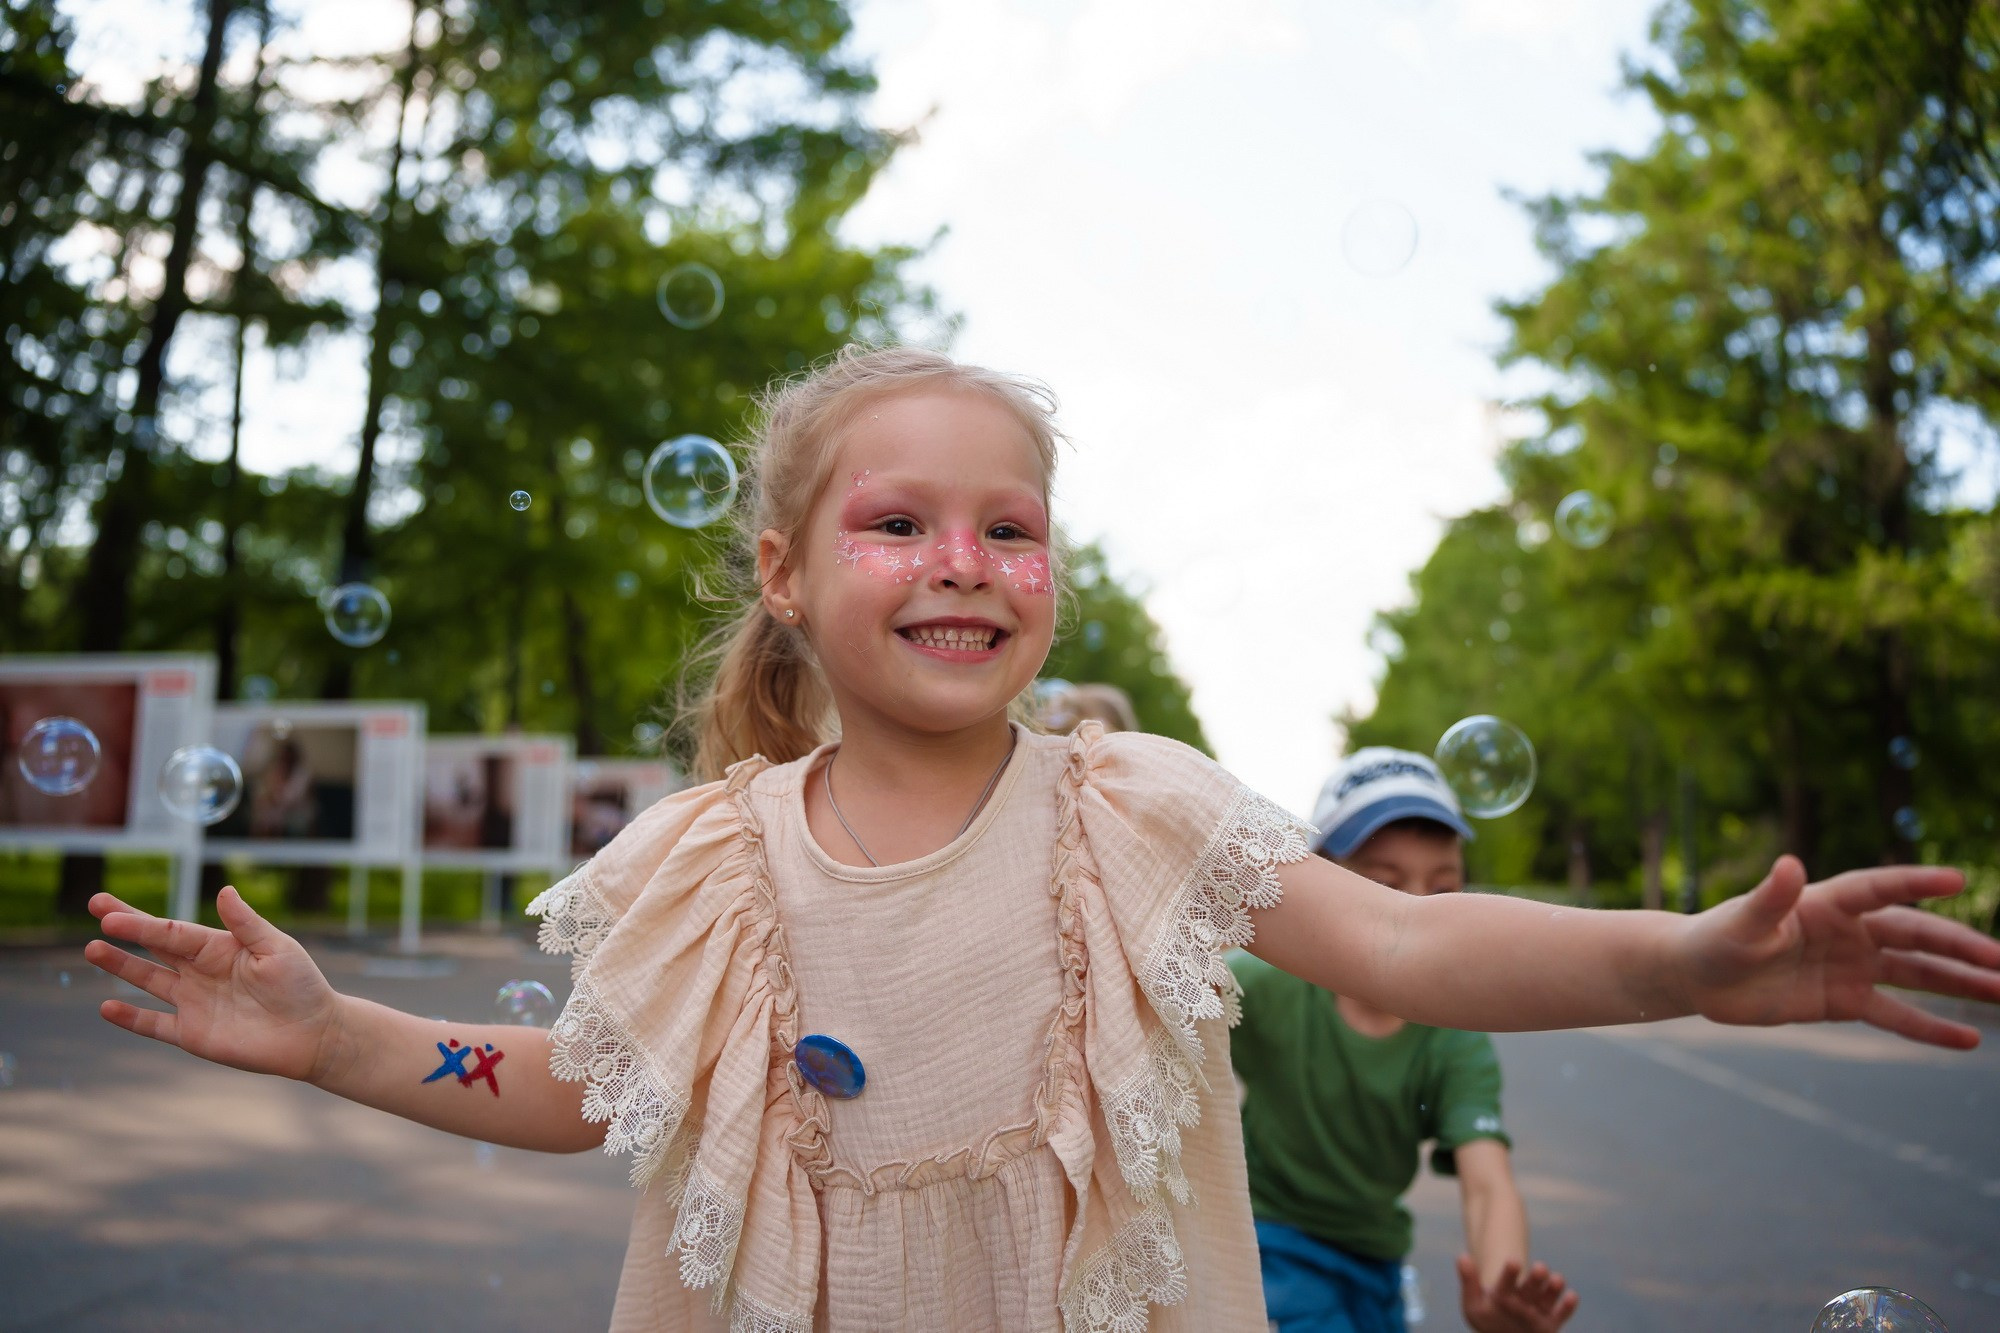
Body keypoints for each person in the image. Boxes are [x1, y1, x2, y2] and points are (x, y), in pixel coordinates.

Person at [81, 346, 2000, 1333]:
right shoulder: (706, 856)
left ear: (1054, 579)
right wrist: (338, 1038)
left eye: (1011, 526)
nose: (961, 562)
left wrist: (1684, 957)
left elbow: (1408, 951)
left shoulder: (1134, 807)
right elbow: (582, 1081)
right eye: (898, 521)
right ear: (783, 572)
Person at [1232, 748, 1578, 1333]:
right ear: (1321, 883)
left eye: (1443, 888)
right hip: (1270, 1244)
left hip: (1378, 1263)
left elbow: (1488, 1182)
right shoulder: (1264, 985)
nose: (1420, 911)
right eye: (1384, 885)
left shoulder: (1454, 1039)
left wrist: (1501, 1287)